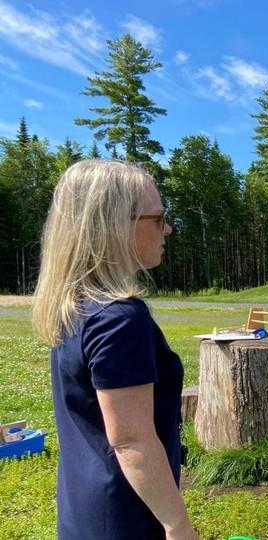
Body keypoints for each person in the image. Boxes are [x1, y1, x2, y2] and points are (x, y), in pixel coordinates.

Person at [32, 160, 198, 540]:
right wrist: (178, 526)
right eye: (159, 217)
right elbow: (131, 441)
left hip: (83, 508)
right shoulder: (120, 318)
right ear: (115, 225)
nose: (168, 228)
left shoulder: (75, 306)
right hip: (126, 515)